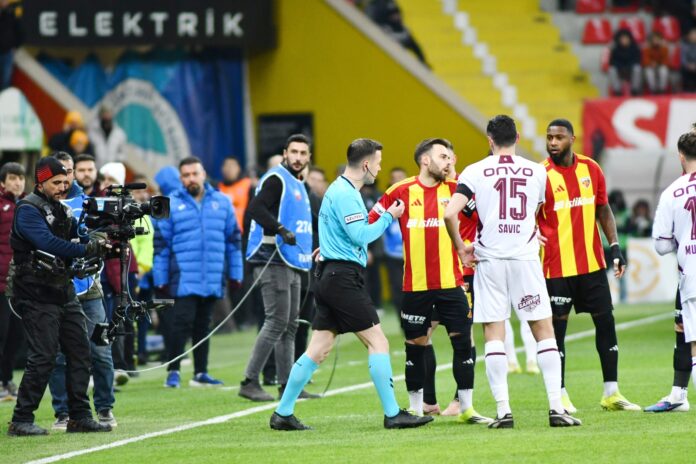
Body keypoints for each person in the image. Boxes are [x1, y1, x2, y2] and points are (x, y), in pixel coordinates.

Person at [269, 138, 432, 431]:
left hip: (331, 275)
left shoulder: (338, 190)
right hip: (342, 279)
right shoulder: (346, 194)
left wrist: (328, 249)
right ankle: (393, 414)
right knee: (378, 342)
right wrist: (389, 216)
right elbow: (360, 235)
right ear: (366, 164)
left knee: (318, 349)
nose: (379, 168)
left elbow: (335, 231)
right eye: (378, 163)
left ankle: (283, 413)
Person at [444, 115, 581, 428]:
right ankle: (556, 408)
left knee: (494, 333)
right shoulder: (537, 171)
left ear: (489, 140)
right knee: (543, 330)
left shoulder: (474, 171)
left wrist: (461, 248)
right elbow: (537, 211)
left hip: (490, 261)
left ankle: (504, 412)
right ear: (517, 137)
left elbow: (450, 213)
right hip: (525, 260)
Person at [368, 138, 491, 424]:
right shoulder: (400, 191)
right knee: (415, 345)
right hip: (416, 287)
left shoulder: (457, 190)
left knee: (463, 344)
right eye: (443, 157)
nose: (449, 162)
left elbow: (487, 218)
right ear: (426, 160)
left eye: (449, 157)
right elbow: (369, 223)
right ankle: (416, 408)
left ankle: (466, 408)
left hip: (452, 284)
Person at [538, 118, 639, 413]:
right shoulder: (539, 175)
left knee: (606, 322)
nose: (553, 142)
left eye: (559, 137)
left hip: (592, 265)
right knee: (556, 332)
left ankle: (611, 392)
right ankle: (560, 394)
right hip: (555, 268)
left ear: (572, 139)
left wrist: (615, 246)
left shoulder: (591, 169)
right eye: (549, 137)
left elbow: (603, 209)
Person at [7, 156, 111, 436]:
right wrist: (86, 249)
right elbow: (48, 243)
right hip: (35, 292)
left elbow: (80, 236)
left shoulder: (61, 209)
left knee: (80, 350)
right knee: (44, 355)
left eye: (66, 181)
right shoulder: (27, 209)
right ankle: (21, 419)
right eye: (56, 182)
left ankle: (79, 416)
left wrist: (102, 239)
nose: (63, 187)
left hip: (62, 288)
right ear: (41, 182)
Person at [239, 134, 316, 402]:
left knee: (290, 326)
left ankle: (288, 386)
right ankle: (249, 381)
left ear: (308, 157)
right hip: (271, 259)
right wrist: (280, 229)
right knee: (276, 322)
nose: (298, 157)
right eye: (294, 152)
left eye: (303, 153)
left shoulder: (298, 183)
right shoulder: (276, 179)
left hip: (289, 260)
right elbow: (255, 209)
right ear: (285, 153)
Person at [154, 157, 242, 388]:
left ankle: (201, 372)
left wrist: (236, 273)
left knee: (204, 325)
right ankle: (173, 371)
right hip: (183, 276)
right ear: (180, 178)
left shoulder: (222, 202)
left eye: (195, 173)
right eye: (186, 175)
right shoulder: (169, 204)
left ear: (203, 174)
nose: (191, 178)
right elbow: (160, 245)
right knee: (181, 323)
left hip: (212, 274)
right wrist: (160, 278)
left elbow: (233, 241)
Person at [48, 152, 117, 429]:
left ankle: (104, 408)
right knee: (57, 355)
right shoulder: (38, 205)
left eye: (69, 171)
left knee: (100, 350)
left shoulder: (89, 203)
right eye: (60, 172)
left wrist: (92, 244)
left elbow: (104, 233)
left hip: (89, 290)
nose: (65, 176)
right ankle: (63, 412)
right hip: (54, 290)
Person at [651, 130, 696, 413]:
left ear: (680, 156)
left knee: (693, 340)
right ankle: (678, 394)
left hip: (691, 273)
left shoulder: (672, 192)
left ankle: (679, 396)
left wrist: (682, 239)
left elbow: (661, 245)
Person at [0, 162, 24, 401]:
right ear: (3, 182)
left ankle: (6, 379)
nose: (17, 183)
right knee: (2, 333)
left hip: (23, 283)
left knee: (17, 335)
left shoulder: (28, 205)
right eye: (13, 178)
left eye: (20, 178)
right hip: (1, 282)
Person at [383, 167, 407, 320]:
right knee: (397, 289)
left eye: (401, 177)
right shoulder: (385, 202)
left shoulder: (415, 199)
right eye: (395, 177)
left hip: (412, 254)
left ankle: (415, 321)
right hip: (392, 255)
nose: (398, 180)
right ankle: (402, 321)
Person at [218, 156, 252, 231]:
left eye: (232, 166)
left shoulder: (248, 185)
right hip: (224, 232)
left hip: (244, 232)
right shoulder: (217, 189)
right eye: (226, 166)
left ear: (239, 168)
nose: (229, 169)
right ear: (222, 169)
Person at [608, 29, 642, 96]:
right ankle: (617, 91)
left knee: (637, 68)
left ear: (630, 39)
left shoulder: (635, 48)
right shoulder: (615, 49)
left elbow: (637, 60)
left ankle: (635, 90)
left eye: (626, 38)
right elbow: (612, 62)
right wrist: (621, 67)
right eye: (622, 39)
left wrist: (628, 66)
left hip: (631, 70)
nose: (624, 40)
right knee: (611, 70)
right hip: (620, 70)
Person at [0, 0, 21, 90]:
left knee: (5, 80)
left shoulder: (11, 14)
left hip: (7, 53)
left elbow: (20, 32)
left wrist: (16, 46)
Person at [681, 28, 696, 93]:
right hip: (687, 66)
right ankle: (686, 89)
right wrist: (688, 65)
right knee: (683, 69)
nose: (694, 37)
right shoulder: (684, 45)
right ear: (689, 36)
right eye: (693, 35)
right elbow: (683, 58)